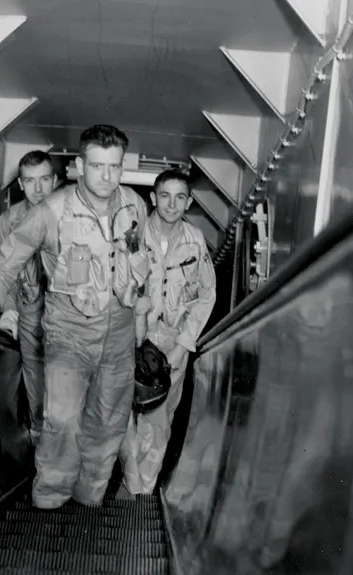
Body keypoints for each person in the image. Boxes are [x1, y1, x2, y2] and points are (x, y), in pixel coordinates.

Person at [0, 125, 150, 509]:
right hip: (69, 332)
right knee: (62, 419)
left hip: (119, 335)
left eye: (115, 167)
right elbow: (7, 258)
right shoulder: (52, 212)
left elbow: (138, 259)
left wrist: (141, 314)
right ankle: (51, 493)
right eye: (97, 166)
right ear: (79, 165)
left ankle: (90, 493)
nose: (107, 176)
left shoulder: (134, 206)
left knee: (109, 422)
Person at [120, 169, 216, 496]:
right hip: (133, 339)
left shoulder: (195, 241)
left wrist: (183, 346)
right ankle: (129, 485)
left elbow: (207, 295)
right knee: (126, 421)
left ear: (189, 201)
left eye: (180, 197)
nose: (172, 204)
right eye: (165, 195)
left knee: (158, 423)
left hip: (173, 344)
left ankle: (141, 493)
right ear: (153, 198)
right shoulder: (133, 236)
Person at [0, 150, 58, 446]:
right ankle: (40, 437)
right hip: (29, 309)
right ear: (20, 183)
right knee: (34, 372)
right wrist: (9, 311)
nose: (38, 189)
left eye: (44, 179)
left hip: (67, 313)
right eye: (30, 181)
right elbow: (0, 268)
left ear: (55, 181)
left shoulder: (71, 217)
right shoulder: (9, 221)